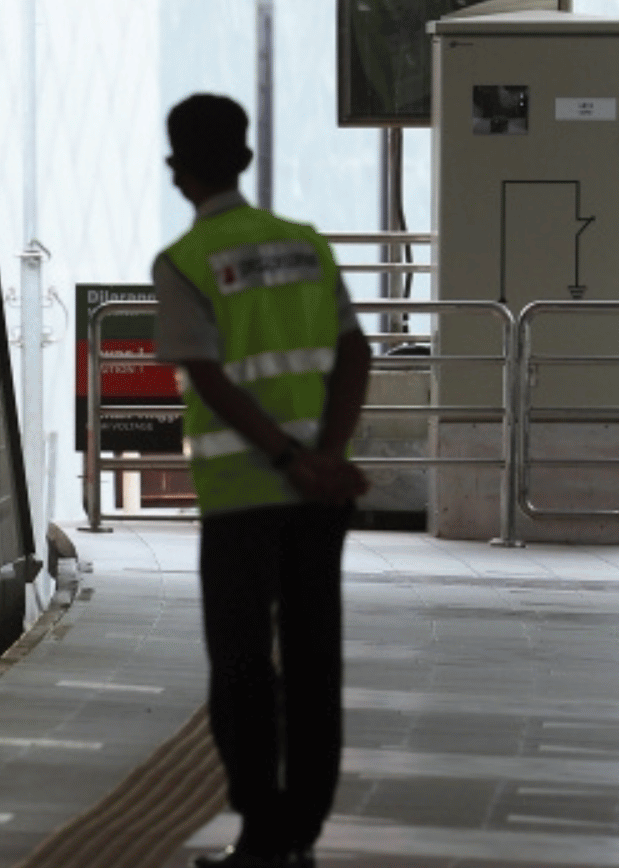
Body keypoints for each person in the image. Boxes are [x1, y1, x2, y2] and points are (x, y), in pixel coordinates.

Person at [152, 94, 371, 868]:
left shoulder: (183, 262)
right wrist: (326, 456)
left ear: (179, 172)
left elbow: (209, 378)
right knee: (315, 666)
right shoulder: (308, 245)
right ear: (245, 160)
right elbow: (356, 353)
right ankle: (299, 836)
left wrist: (284, 459)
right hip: (319, 500)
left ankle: (261, 834)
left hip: (244, 498)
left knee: (243, 667)